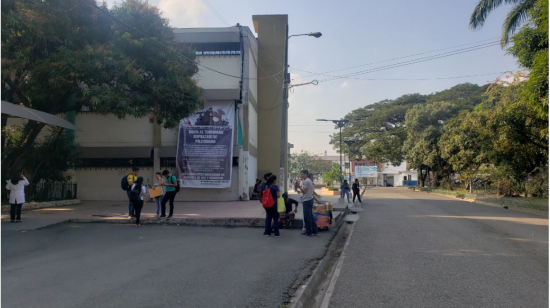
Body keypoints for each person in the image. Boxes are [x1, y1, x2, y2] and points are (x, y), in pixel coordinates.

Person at [298, 170, 319, 237]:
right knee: (310, 216)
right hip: (309, 200)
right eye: (300, 174)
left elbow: (304, 191)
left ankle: (309, 232)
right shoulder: (308, 181)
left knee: (307, 217)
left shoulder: (306, 181)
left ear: (306, 174)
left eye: (302, 174)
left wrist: (299, 187)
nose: (301, 175)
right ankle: (314, 231)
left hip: (307, 200)